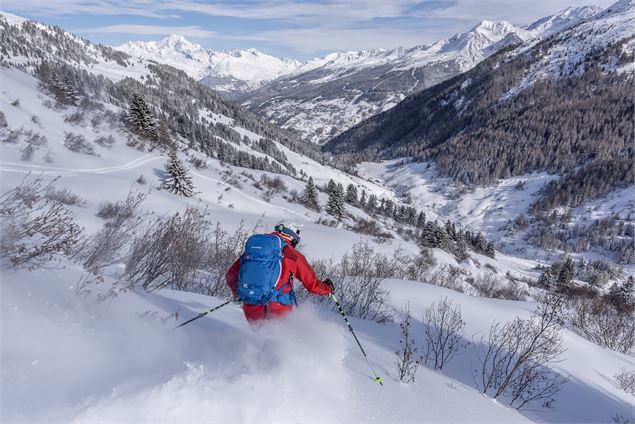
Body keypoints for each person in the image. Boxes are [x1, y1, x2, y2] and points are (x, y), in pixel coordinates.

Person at [225, 222, 334, 322]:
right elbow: (313, 285)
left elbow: (230, 275)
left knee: (259, 338)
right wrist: (327, 288)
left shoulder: (255, 251)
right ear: (293, 236)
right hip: (277, 308)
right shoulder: (292, 254)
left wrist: (240, 293)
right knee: (280, 341)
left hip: (250, 306)